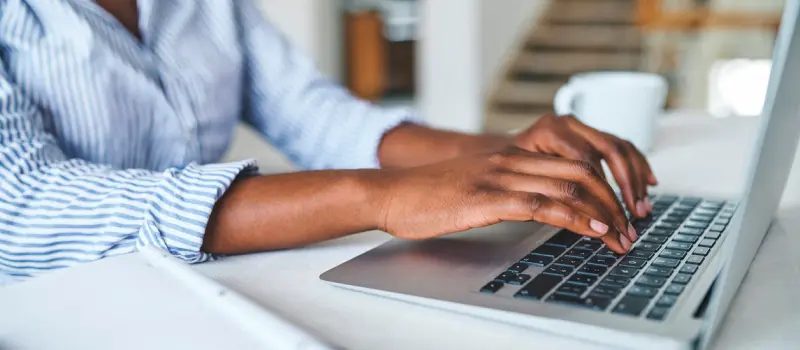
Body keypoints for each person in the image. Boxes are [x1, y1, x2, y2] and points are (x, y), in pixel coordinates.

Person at [0, 0, 656, 282]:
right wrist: (379, 197)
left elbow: (315, 115)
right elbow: (24, 205)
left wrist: (503, 154)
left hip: (197, 295)